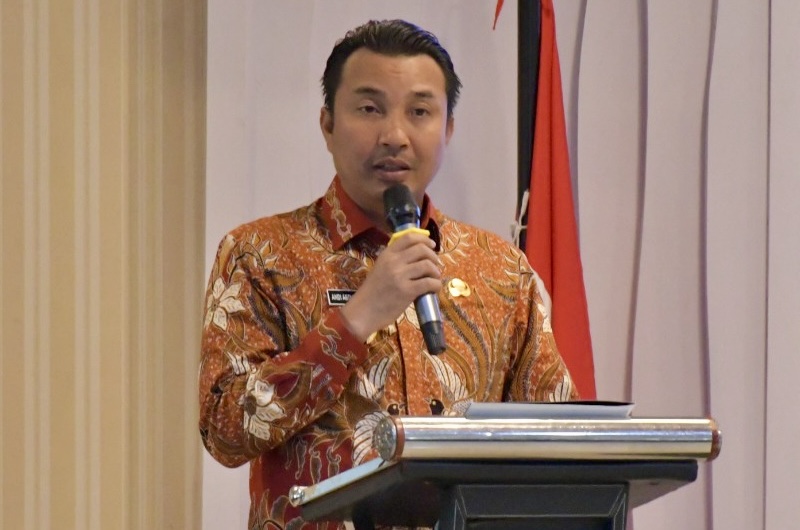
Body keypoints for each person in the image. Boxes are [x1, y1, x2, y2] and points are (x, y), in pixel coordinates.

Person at [198, 19, 579, 529]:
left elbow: (558, 439)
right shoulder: (260, 254)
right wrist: (355, 321)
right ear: (327, 124)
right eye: (369, 109)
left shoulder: (501, 269)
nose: (394, 136)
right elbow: (225, 431)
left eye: (419, 111)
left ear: (448, 129)